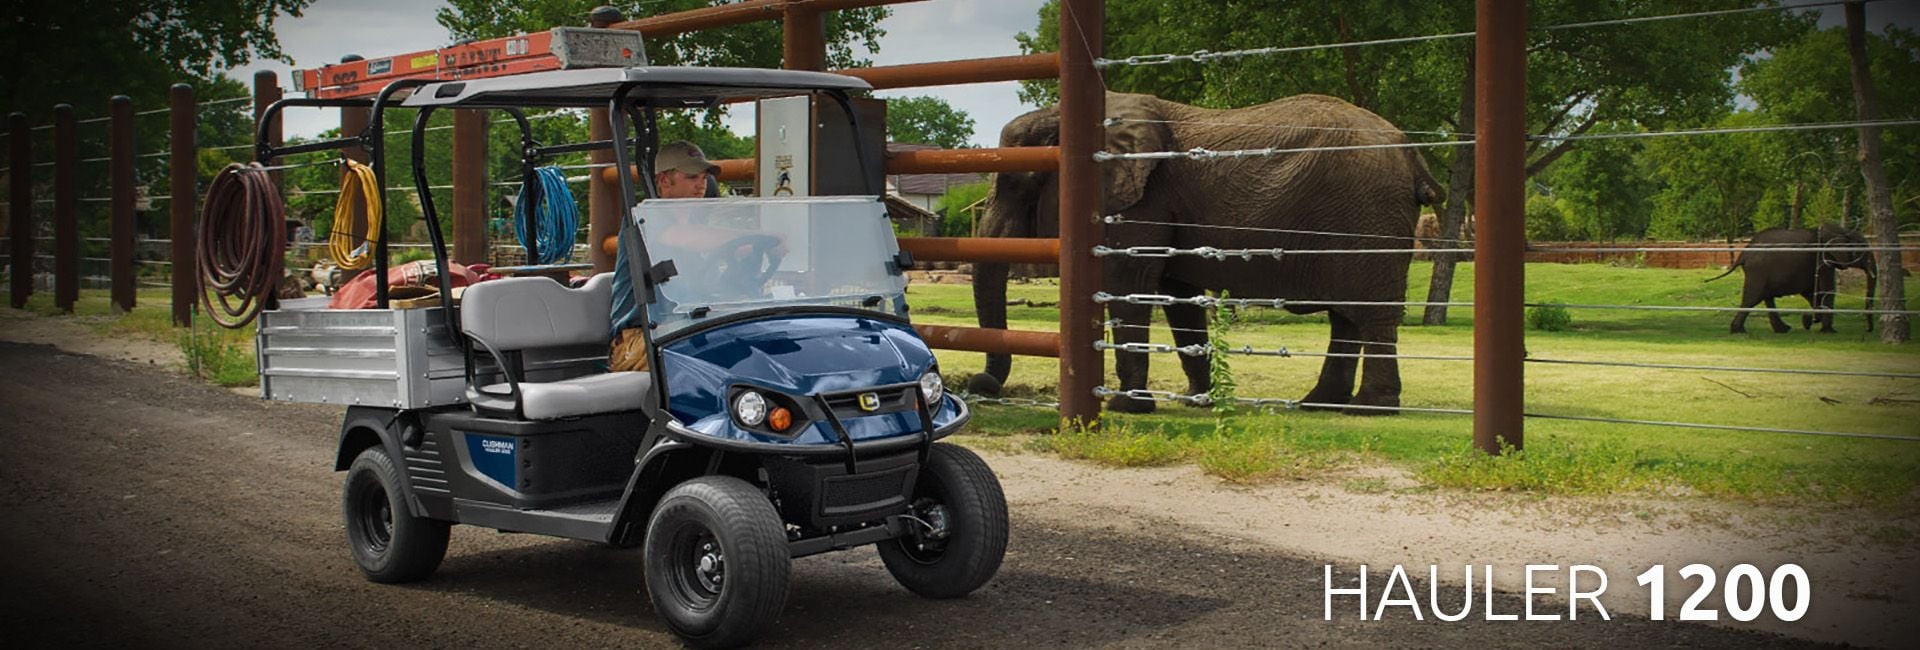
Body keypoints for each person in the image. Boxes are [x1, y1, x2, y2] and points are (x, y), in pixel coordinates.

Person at [607, 140, 723, 372]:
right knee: (703, 361)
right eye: (692, 177)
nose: (701, 184)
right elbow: (690, 238)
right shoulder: (644, 218)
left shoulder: (695, 227)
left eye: (704, 177)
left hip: (684, 330)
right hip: (640, 339)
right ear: (664, 181)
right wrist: (758, 236)